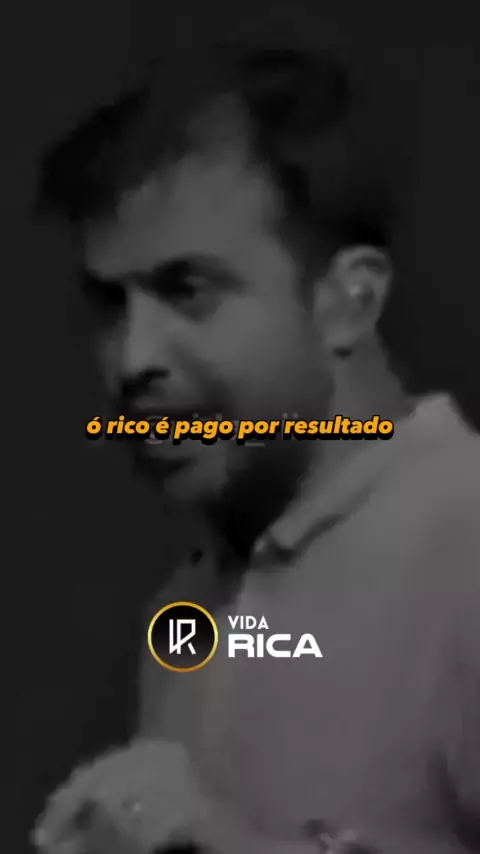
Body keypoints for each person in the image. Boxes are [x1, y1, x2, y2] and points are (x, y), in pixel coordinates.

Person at [37, 42, 480, 854]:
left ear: (350, 300)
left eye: (187, 289)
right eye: (109, 305)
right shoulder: (188, 607)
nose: (132, 359)